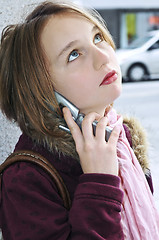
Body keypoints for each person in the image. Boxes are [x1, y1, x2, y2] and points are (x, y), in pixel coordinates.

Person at [0, 1, 159, 239]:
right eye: (74, 55)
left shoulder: (120, 136)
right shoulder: (26, 181)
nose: (102, 57)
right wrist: (100, 183)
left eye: (97, 37)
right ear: (41, 91)